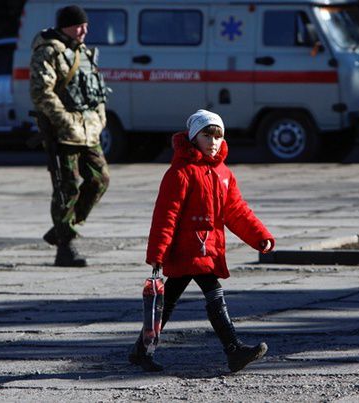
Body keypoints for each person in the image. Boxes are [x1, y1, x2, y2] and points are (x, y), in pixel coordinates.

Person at [129, 109, 275, 372]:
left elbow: (237, 211)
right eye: (207, 135)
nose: (213, 142)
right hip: (185, 250)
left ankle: (141, 351)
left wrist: (259, 236)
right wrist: (157, 253)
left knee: (169, 302)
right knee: (211, 292)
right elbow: (166, 215)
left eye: (218, 136)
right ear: (194, 137)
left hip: (207, 248)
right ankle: (233, 349)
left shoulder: (223, 174)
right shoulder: (180, 172)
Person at [29, 5, 110, 267]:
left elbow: (96, 92)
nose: (84, 30)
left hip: (89, 130)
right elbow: (42, 92)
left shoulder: (84, 52)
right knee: (68, 187)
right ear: (65, 26)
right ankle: (65, 248)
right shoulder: (49, 51)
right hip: (63, 133)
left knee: (100, 180)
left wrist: (100, 119)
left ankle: (62, 229)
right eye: (78, 26)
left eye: (85, 26)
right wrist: (63, 120)